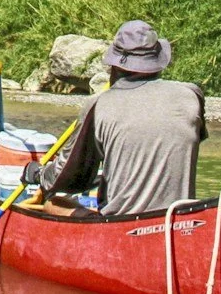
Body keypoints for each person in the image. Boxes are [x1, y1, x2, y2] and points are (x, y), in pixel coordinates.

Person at [37, 20, 207, 216]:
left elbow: (70, 179)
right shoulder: (192, 95)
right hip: (177, 223)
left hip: (119, 226)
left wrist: (39, 175)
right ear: (157, 64)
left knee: (53, 203)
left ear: (115, 66)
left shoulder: (99, 104)